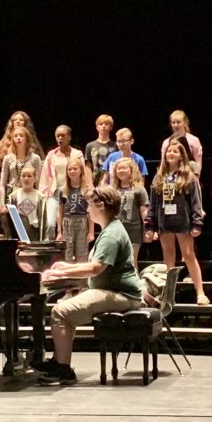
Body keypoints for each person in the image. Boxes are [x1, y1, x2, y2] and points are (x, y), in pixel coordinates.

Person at [35, 186, 145, 385]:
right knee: (67, 312)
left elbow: (95, 269)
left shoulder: (111, 234)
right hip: (114, 291)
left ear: (101, 205)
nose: (87, 209)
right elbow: (95, 266)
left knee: (60, 312)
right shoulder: (111, 229)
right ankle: (60, 362)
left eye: (90, 204)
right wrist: (68, 266)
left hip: (121, 295)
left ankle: (63, 369)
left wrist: (60, 272)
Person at [144, 139, 207, 305]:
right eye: (168, 152)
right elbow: (152, 204)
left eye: (175, 152)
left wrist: (197, 223)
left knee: (188, 255)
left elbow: (195, 202)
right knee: (168, 257)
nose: (170, 154)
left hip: (182, 221)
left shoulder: (188, 177)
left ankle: (200, 292)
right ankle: (168, 295)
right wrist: (150, 225)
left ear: (181, 156)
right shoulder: (159, 177)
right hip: (165, 222)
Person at [39, 126, 85, 240]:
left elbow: (83, 174)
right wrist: (43, 194)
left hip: (72, 193)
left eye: (63, 135)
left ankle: (67, 253)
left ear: (69, 137)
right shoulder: (51, 155)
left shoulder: (77, 154)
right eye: (57, 136)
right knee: (50, 224)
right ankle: (49, 253)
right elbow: (44, 176)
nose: (60, 138)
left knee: (69, 226)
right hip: (54, 193)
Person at [111, 157, 148, 269]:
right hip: (116, 230)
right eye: (119, 168)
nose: (121, 171)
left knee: (131, 260)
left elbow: (144, 211)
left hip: (133, 230)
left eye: (124, 168)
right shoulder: (112, 190)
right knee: (116, 260)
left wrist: (148, 229)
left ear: (132, 170)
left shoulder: (139, 189)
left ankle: (134, 285)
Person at [57, 157, 93, 262]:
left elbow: (90, 213)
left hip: (82, 221)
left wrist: (91, 232)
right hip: (67, 221)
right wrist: (59, 231)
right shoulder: (63, 190)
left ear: (81, 170)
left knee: (81, 253)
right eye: (70, 169)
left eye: (75, 169)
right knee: (67, 252)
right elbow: (60, 211)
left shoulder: (87, 189)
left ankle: (81, 277)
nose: (72, 171)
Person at [0, 126, 43, 203]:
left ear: (27, 138)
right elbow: (2, 183)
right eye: (16, 136)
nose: (18, 138)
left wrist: (39, 201)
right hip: (11, 196)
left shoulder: (35, 158)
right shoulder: (7, 158)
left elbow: (38, 183)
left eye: (21, 135)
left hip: (29, 196)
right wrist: (1, 203)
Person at [159, 110, 203, 175]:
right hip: (171, 177)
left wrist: (196, 178)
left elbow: (198, 162)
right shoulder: (166, 142)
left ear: (185, 123)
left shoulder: (193, 140)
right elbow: (163, 163)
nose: (175, 125)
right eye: (173, 122)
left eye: (178, 122)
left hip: (189, 177)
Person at [9, 166, 47, 240]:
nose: (26, 178)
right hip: (19, 230)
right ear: (20, 178)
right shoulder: (14, 196)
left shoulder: (40, 197)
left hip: (33, 230)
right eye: (23, 176)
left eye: (29, 176)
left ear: (35, 178)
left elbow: (43, 220)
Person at [85, 114, 117, 187]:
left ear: (111, 127)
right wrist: (90, 184)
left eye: (106, 124)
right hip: (95, 183)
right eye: (100, 124)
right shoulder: (90, 145)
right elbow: (88, 166)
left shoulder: (116, 146)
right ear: (96, 127)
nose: (103, 126)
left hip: (111, 183)